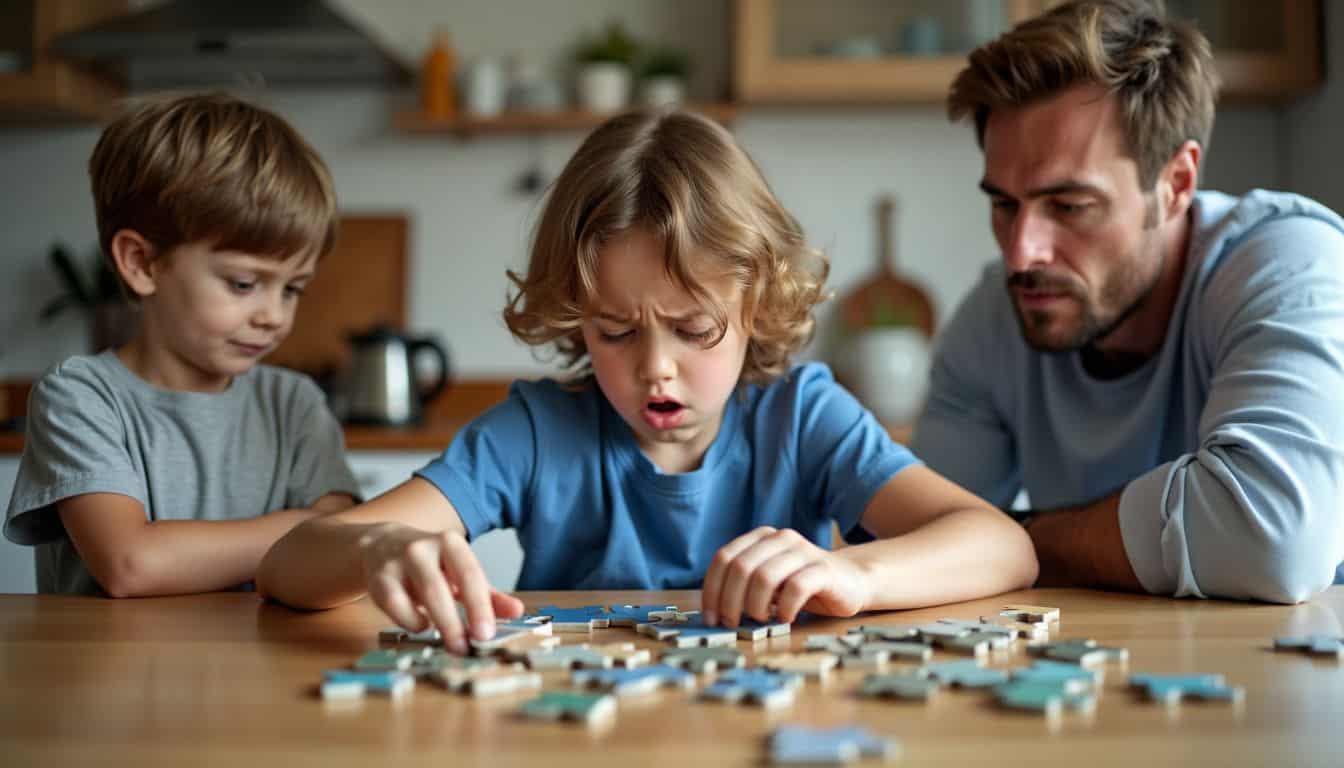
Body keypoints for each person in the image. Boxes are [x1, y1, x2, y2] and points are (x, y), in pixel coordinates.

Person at [256, 109, 1038, 653]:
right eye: (615, 331)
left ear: (755, 303)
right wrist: (378, 549)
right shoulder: (534, 432)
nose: (654, 366)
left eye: (694, 329)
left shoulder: (804, 418)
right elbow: (291, 563)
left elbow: (1003, 546)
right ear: (574, 318)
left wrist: (848, 573)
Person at [913, 0, 1344, 604]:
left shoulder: (1289, 261)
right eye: (1004, 204)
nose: (1021, 254)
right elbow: (915, 538)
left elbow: (1272, 539)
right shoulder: (996, 313)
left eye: (1069, 207)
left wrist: (1012, 543)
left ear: (1176, 184)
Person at [3, 92, 360, 596]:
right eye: (242, 283)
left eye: (293, 288)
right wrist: (304, 530)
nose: (273, 316)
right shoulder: (78, 396)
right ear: (142, 263)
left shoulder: (294, 403)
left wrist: (326, 535)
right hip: (111, 675)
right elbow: (131, 564)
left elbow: (340, 539)